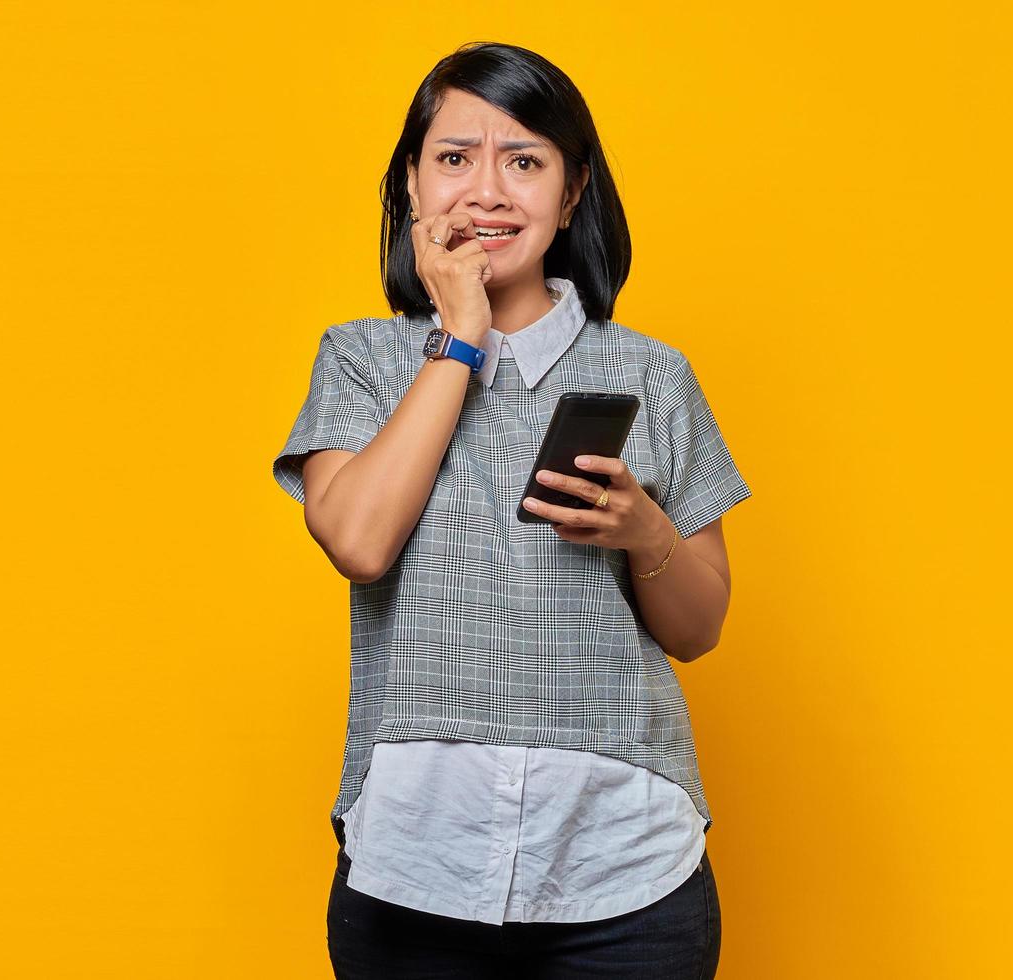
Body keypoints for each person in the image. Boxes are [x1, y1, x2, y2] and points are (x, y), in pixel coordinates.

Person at [272, 41, 751, 979]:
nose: (487, 192)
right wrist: (460, 338)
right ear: (411, 184)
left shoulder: (652, 374)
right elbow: (359, 542)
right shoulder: (363, 359)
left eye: (524, 161)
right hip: (418, 862)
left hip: (627, 866)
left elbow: (700, 630)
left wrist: (642, 528)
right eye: (455, 158)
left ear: (570, 195)